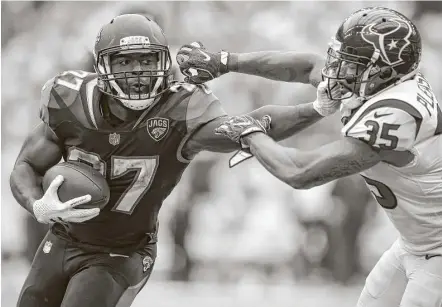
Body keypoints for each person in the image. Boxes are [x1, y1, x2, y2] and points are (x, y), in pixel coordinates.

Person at [9, 14, 340, 307]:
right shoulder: (70, 101)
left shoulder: (181, 109)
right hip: (64, 237)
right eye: (124, 62)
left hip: (123, 250)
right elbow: (25, 167)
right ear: (101, 66)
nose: (137, 73)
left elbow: (251, 125)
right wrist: (38, 205)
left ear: (163, 62)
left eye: (146, 60)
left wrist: (314, 110)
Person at [177, 6, 442, 307]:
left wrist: (250, 134)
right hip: (415, 244)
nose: (337, 70)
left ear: (383, 69)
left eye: (352, 64)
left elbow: (301, 172)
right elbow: (308, 66)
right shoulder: (378, 83)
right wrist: (226, 62)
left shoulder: (395, 114)